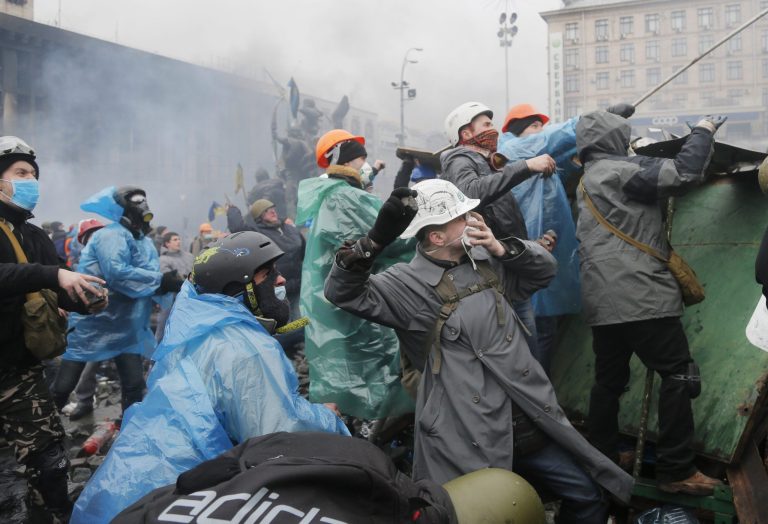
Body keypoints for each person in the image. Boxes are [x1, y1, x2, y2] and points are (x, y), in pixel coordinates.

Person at [324, 179, 633, 523]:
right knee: (479, 514)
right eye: (462, 215)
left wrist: (503, 248)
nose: (474, 218)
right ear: (437, 237)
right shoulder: (404, 284)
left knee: (588, 495)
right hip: (467, 432)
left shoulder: (485, 259)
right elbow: (342, 293)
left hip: (528, 418)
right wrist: (374, 241)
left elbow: (544, 271)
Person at [72, 231, 348, 524]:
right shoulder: (243, 349)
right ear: (237, 288)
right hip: (174, 498)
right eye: (267, 273)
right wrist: (327, 418)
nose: (280, 281)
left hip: (126, 488)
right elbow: (275, 437)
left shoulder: (198, 329)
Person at [576, 110, 726, 495]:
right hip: (642, 295)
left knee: (608, 382)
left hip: (602, 301)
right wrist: (703, 131)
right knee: (680, 375)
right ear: (613, 141)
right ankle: (677, 470)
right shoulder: (621, 171)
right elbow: (685, 173)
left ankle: (603, 457)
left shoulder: (587, 179)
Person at [0, 135, 108, 521]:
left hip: (22, 370)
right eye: (20, 172)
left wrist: (84, 299)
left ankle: (53, 514)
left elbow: (53, 289)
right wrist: (53, 273)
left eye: (33, 173)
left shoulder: (35, 236)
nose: (31, 180)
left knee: (49, 457)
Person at [296, 129, 415, 420]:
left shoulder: (332, 194)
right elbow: (393, 238)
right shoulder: (344, 198)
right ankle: (373, 426)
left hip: (335, 301)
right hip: (354, 301)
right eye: (361, 159)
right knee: (367, 366)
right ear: (345, 161)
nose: (366, 165)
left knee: (344, 364)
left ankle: (356, 421)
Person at [51, 186, 184, 417]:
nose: (142, 205)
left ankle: (129, 430)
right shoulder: (110, 235)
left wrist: (163, 284)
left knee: (133, 384)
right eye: (136, 201)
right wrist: (161, 281)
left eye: (144, 199)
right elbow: (117, 273)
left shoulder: (142, 241)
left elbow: (145, 274)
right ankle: (43, 431)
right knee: (64, 384)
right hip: (93, 322)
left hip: (126, 324)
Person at [439, 101, 556, 358]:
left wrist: (532, 245)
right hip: (490, 279)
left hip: (506, 273)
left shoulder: (487, 164)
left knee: (528, 353)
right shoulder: (460, 159)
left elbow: (499, 223)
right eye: (487, 125)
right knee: (518, 356)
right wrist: (526, 166)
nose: (494, 130)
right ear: (466, 133)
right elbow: (470, 193)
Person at [227, 199, 305, 320]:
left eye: (273, 209)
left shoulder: (289, 228)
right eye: (267, 211)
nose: (273, 212)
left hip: (299, 286)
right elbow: (237, 228)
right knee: (286, 326)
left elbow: (305, 251)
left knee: (301, 323)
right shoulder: (259, 234)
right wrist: (232, 211)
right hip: (278, 290)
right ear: (259, 217)